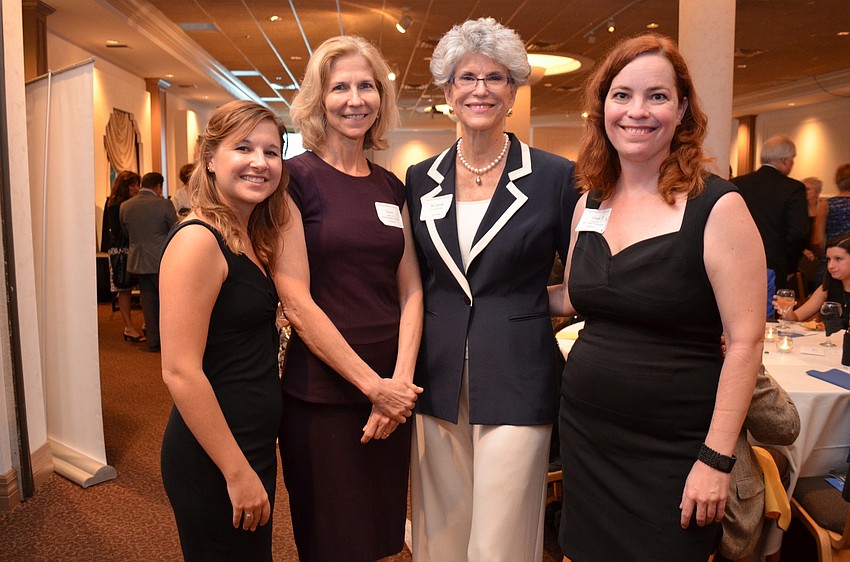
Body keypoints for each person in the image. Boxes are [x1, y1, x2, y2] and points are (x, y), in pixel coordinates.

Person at [549, 34, 764, 560]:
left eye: (657, 96)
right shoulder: (590, 202)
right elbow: (574, 297)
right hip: (587, 434)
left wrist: (715, 460)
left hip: (675, 446)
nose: (636, 112)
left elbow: (745, 340)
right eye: (621, 95)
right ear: (601, 106)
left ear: (683, 108)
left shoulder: (717, 207)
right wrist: (480, 298)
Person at [405, 18, 579, 561]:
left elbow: (579, 287)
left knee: (501, 535)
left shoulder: (555, 176)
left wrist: (527, 307)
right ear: (448, 92)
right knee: (441, 525)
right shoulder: (420, 178)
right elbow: (419, 279)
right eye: (467, 78)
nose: (480, 89)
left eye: (495, 78)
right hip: (435, 373)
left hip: (518, 370)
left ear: (513, 90)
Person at [272, 35, 423, 562]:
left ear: (381, 96)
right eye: (340, 87)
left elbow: (412, 289)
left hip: (392, 392)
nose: (354, 99)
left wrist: (399, 383)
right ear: (318, 99)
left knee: (381, 536)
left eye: (366, 86)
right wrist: (371, 387)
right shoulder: (294, 181)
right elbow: (295, 299)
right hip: (325, 394)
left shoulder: (391, 186)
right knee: (333, 539)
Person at [159, 100, 288, 561]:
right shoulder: (198, 240)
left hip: (246, 441)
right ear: (210, 159)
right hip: (214, 454)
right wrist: (236, 472)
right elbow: (179, 371)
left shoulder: (246, 235)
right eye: (244, 147)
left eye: (272, 151)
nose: (260, 162)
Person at [718, 365, 800, 561]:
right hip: (716, 507)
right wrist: (754, 361)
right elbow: (785, 427)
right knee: (781, 462)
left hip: (643, 487)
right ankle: (765, 551)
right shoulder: (723, 352)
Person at [731, 135, 809, 290]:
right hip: (773, 263)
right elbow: (798, 233)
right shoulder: (793, 188)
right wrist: (791, 266)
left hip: (737, 260)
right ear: (785, 160)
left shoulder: (737, 183)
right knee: (769, 311)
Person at [120, 171, 177, 352]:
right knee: (168, 302)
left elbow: (125, 232)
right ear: (158, 186)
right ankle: (170, 342)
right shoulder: (164, 204)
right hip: (162, 259)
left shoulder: (126, 206)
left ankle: (153, 341)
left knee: (148, 302)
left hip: (139, 260)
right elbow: (175, 229)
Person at [103, 170, 145, 342]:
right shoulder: (115, 205)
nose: (137, 188)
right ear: (125, 186)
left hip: (131, 249)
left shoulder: (127, 203)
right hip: (121, 251)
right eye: (134, 184)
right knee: (124, 289)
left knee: (142, 286)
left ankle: (144, 323)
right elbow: (119, 230)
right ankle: (128, 326)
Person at [776, 235, 850, 328]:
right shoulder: (827, 288)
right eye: (828, 259)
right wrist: (787, 311)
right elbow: (796, 318)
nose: (831, 265)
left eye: (838, 259)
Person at [798, 176, 823, 294]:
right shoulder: (797, 209)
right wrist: (803, 250)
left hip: (821, 251)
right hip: (802, 252)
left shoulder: (823, 207)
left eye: (808, 189)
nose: (804, 192)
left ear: (817, 192)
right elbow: (793, 235)